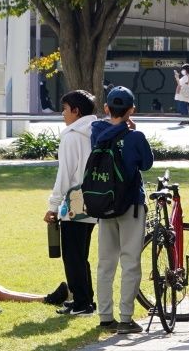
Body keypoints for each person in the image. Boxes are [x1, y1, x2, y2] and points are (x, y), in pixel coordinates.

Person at [91, 86, 154, 334]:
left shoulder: (98, 131)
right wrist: (128, 128)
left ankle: (105, 316)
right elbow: (147, 164)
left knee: (105, 262)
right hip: (131, 205)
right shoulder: (135, 137)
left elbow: (100, 135)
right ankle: (126, 317)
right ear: (131, 110)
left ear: (106, 108)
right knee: (130, 262)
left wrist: (120, 125)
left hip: (104, 204)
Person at [43, 90, 100, 315]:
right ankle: (85, 299)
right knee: (81, 253)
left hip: (75, 201)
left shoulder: (72, 135)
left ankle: (82, 302)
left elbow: (65, 175)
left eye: (65, 109)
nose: (63, 114)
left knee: (73, 255)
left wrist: (53, 206)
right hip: (95, 198)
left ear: (76, 111)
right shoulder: (96, 130)